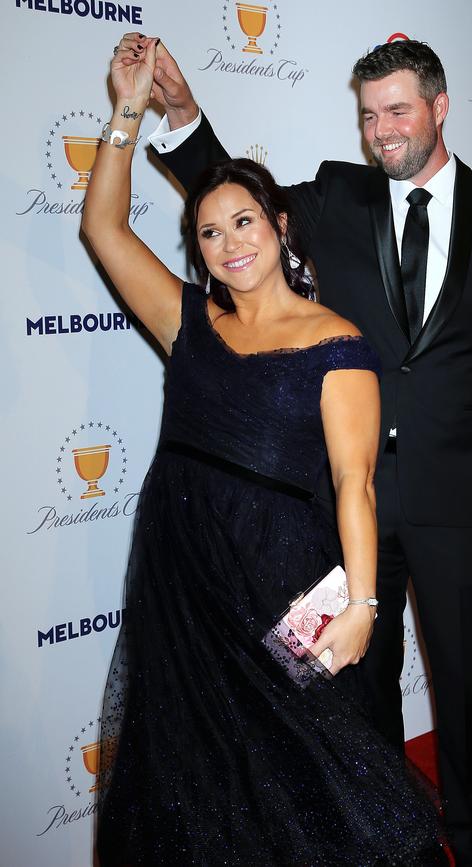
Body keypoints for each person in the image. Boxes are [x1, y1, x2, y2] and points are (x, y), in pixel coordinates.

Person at [117, 35, 472, 867]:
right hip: (339, 511)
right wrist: (180, 109)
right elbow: (236, 197)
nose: (381, 130)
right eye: (368, 116)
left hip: (461, 499)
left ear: (439, 106)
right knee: (352, 696)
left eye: (397, 110)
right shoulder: (334, 194)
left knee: (465, 694)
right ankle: (391, 846)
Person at [84, 37, 449, 867]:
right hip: (185, 574)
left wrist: (360, 606)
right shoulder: (189, 324)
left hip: (291, 583)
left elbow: (356, 485)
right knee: (191, 765)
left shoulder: (336, 342)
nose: (228, 243)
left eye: (243, 220)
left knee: (314, 763)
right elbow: (102, 227)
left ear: (279, 226)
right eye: (208, 232)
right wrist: (127, 107)